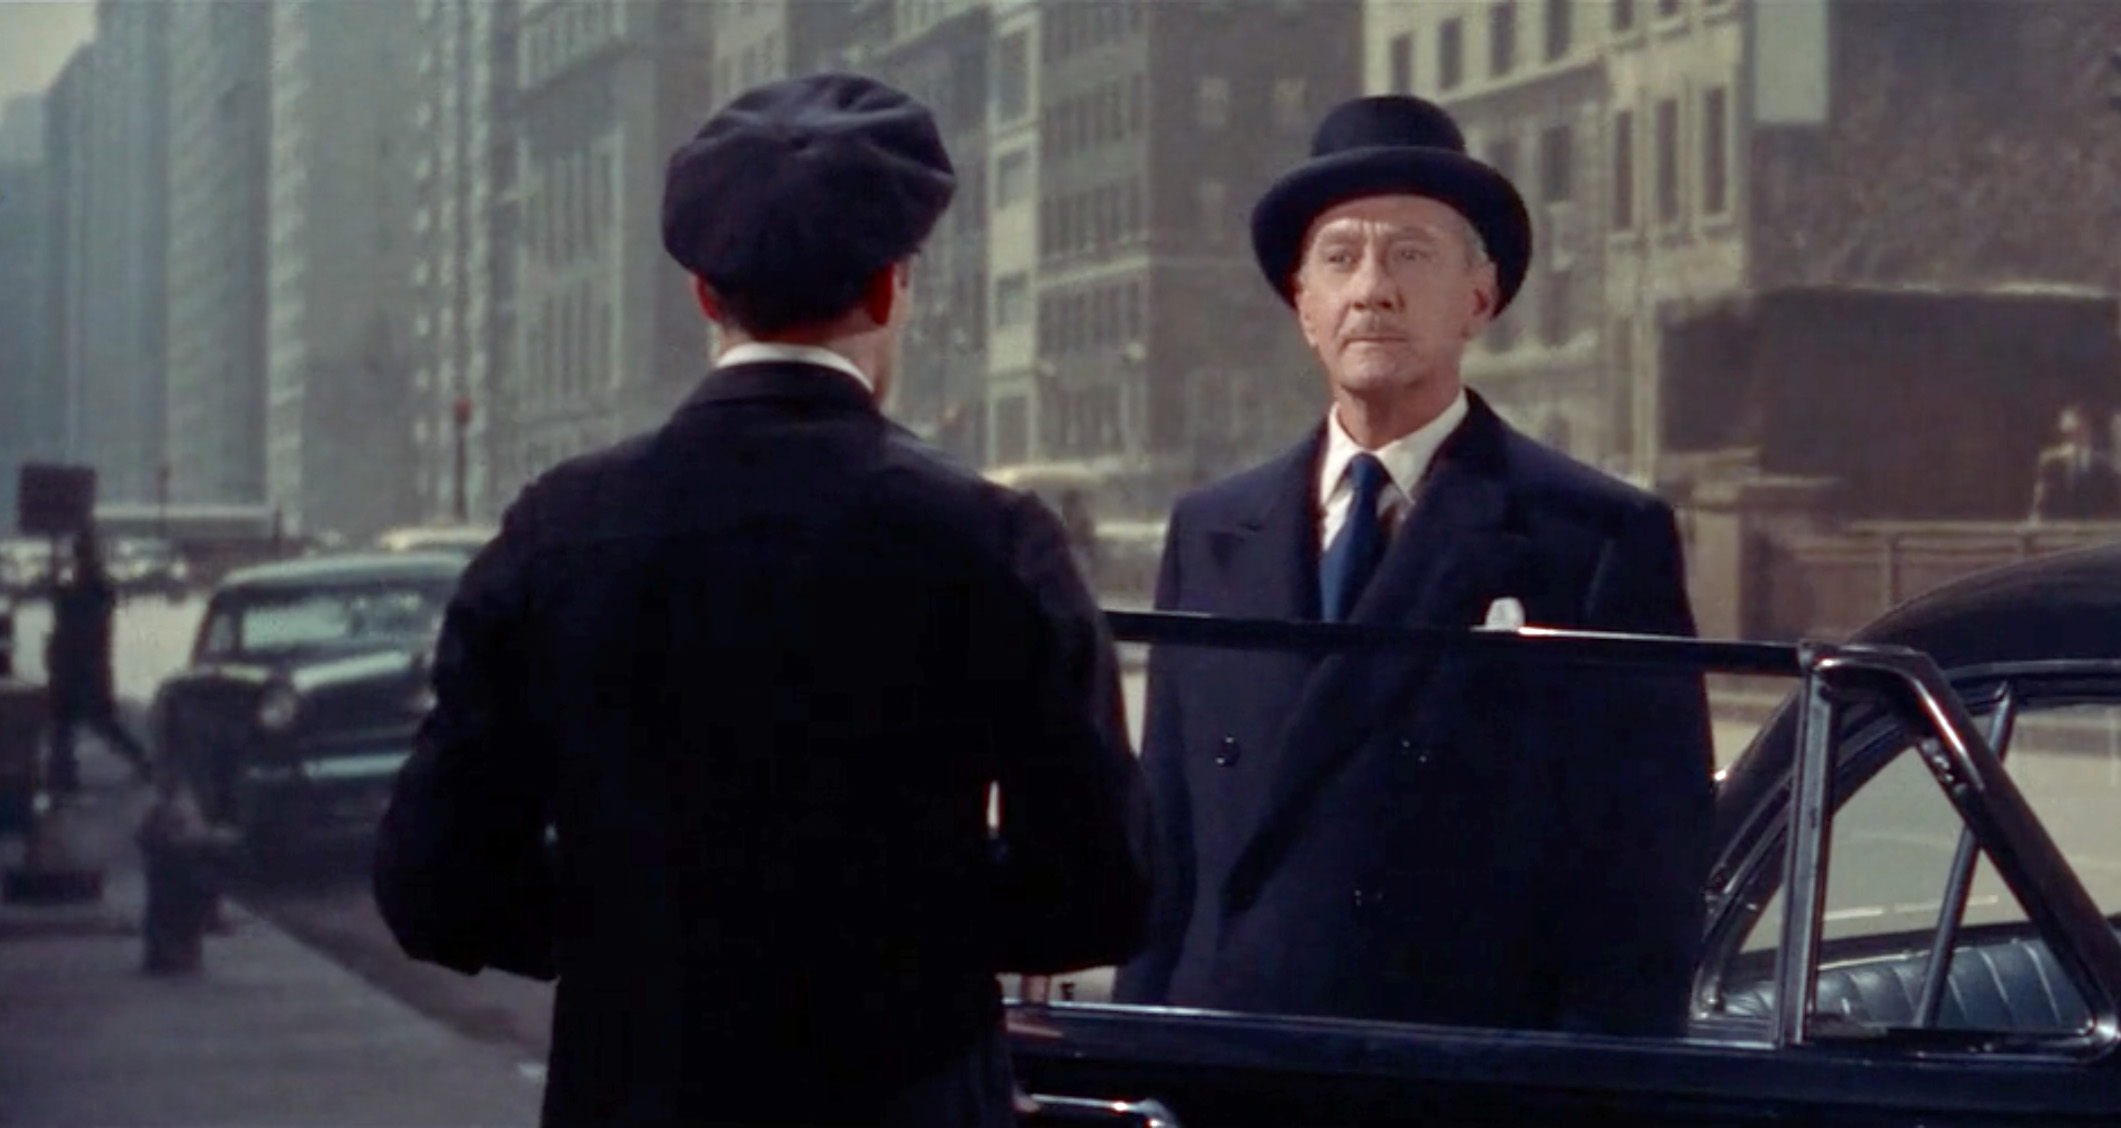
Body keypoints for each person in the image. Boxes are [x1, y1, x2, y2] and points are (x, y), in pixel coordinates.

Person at [372, 74, 1150, 1128]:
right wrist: (908, 925)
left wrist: (627, 927)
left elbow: (430, 884)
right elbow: (1101, 891)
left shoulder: (556, 531)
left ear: (706, 295)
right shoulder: (990, 538)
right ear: (891, 288)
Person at [1112, 95, 1714, 1037]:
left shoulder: (1593, 538)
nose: (1373, 290)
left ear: (1480, 297)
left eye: (1411, 255)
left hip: (1452, 1070)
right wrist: (1137, 1058)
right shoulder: (1212, 531)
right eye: (1340, 258)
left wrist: (1590, 1087)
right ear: (1302, 305)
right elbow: (1168, 853)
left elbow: (1645, 890)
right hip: (1228, 1060)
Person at [44, 524, 151, 791]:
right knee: (74, 725)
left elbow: (74, 616)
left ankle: (65, 776)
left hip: (82, 669)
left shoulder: (93, 591)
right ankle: (63, 775)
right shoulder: (93, 589)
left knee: (81, 724)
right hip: (81, 669)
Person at [2029, 404, 2121, 521]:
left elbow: (2114, 506)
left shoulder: (2104, 466)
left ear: (2089, 431)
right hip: (2059, 528)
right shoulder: (2051, 462)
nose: (2076, 436)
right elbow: (2041, 501)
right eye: (2072, 432)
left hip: (2093, 529)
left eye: (2081, 431)